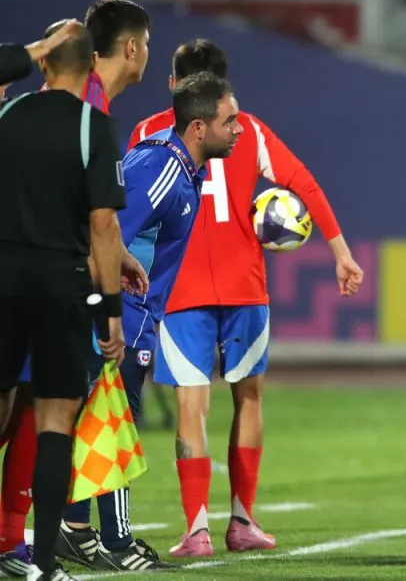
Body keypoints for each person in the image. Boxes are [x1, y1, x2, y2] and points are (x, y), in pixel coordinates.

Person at [126, 39, 363, 557]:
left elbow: (129, 208)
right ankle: (242, 521)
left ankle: (196, 529)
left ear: (174, 84)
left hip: (179, 288)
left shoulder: (147, 132)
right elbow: (304, 183)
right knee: (249, 397)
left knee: (192, 405)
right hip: (244, 286)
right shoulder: (248, 130)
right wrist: (340, 252)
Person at [56, 71, 242, 573]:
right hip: (125, 316)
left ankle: (74, 530)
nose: (240, 129)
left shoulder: (183, 166)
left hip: (132, 313)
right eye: (231, 120)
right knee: (116, 423)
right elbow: (105, 232)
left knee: (98, 420)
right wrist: (108, 312)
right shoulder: (163, 169)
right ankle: (116, 542)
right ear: (200, 128)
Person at [0, 0, 154, 573]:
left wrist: (29, 54)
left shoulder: (10, 114)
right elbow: (101, 224)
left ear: (43, 63)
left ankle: (15, 542)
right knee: (49, 420)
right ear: (104, 59)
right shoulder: (92, 120)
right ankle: (37, 554)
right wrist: (109, 305)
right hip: (61, 283)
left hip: (7, 277)